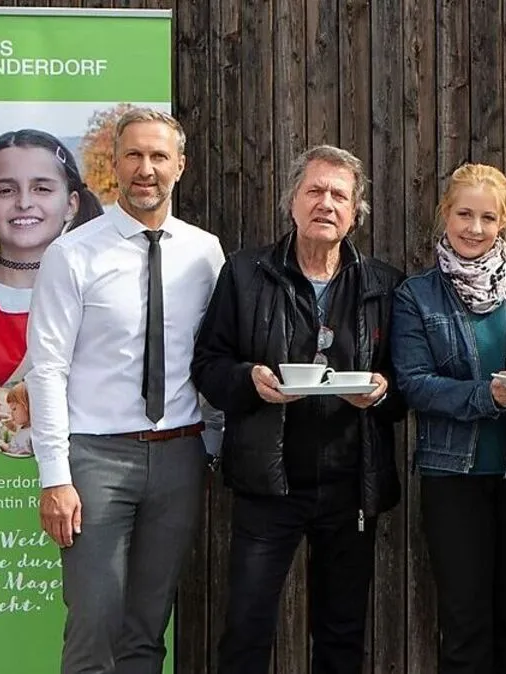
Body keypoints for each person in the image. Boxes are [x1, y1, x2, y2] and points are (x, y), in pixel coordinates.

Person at [192, 145, 406, 674]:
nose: (325, 203)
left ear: (355, 212)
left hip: (351, 485)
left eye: (339, 195)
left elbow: (407, 384)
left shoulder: (384, 284)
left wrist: (382, 391)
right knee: (246, 630)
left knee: (341, 635)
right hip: (269, 485)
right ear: (293, 201)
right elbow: (208, 365)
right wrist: (249, 380)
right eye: (314, 191)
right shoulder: (246, 273)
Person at [25, 108, 224, 673]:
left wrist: (213, 445)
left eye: (159, 156)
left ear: (180, 166)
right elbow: (46, 370)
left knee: (147, 631)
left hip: (180, 456)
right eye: (133, 155)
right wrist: (55, 477)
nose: (146, 169)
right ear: (113, 164)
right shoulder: (72, 253)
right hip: (95, 460)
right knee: (94, 626)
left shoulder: (205, 252)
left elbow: (214, 355)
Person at [390, 163, 506, 674]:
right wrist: (488, 395)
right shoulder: (416, 295)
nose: (474, 228)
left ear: (503, 221)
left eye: (488, 218)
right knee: (465, 628)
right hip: (454, 479)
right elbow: (415, 384)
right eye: (464, 214)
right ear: (445, 214)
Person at [0, 129, 103, 391]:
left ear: (71, 205)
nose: (24, 203)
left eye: (42, 189)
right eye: (5, 191)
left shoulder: (101, 296)